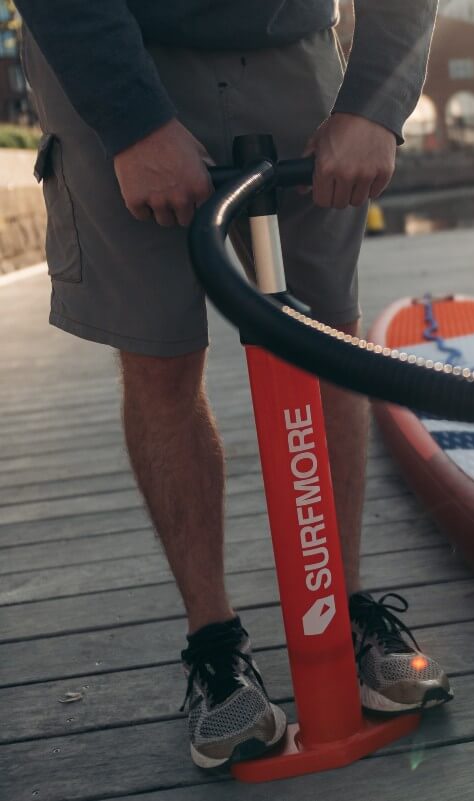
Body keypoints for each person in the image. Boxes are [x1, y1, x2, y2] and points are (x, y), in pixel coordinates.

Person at [16, 0, 447, 770]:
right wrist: (133, 120)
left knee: (325, 347)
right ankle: (215, 648)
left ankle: (344, 616)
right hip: (118, 49)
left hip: (287, 44)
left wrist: (375, 105)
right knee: (161, 361)